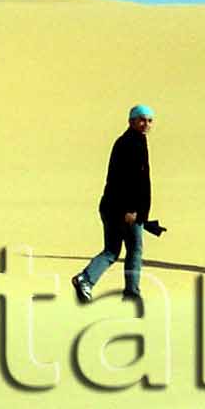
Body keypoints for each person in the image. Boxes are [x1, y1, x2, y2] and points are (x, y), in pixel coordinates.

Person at [74, 104, 154, 303]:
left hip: (114, 208)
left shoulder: (135, 141)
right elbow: (124, 180)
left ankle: (87, 279)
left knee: (112, 250)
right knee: (133, 249)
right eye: (142, 119)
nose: (146, 124)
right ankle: (131, 293)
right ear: (131, 121)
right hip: (123, 210)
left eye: (150, 120)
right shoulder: (130, 143)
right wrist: (130, 210)